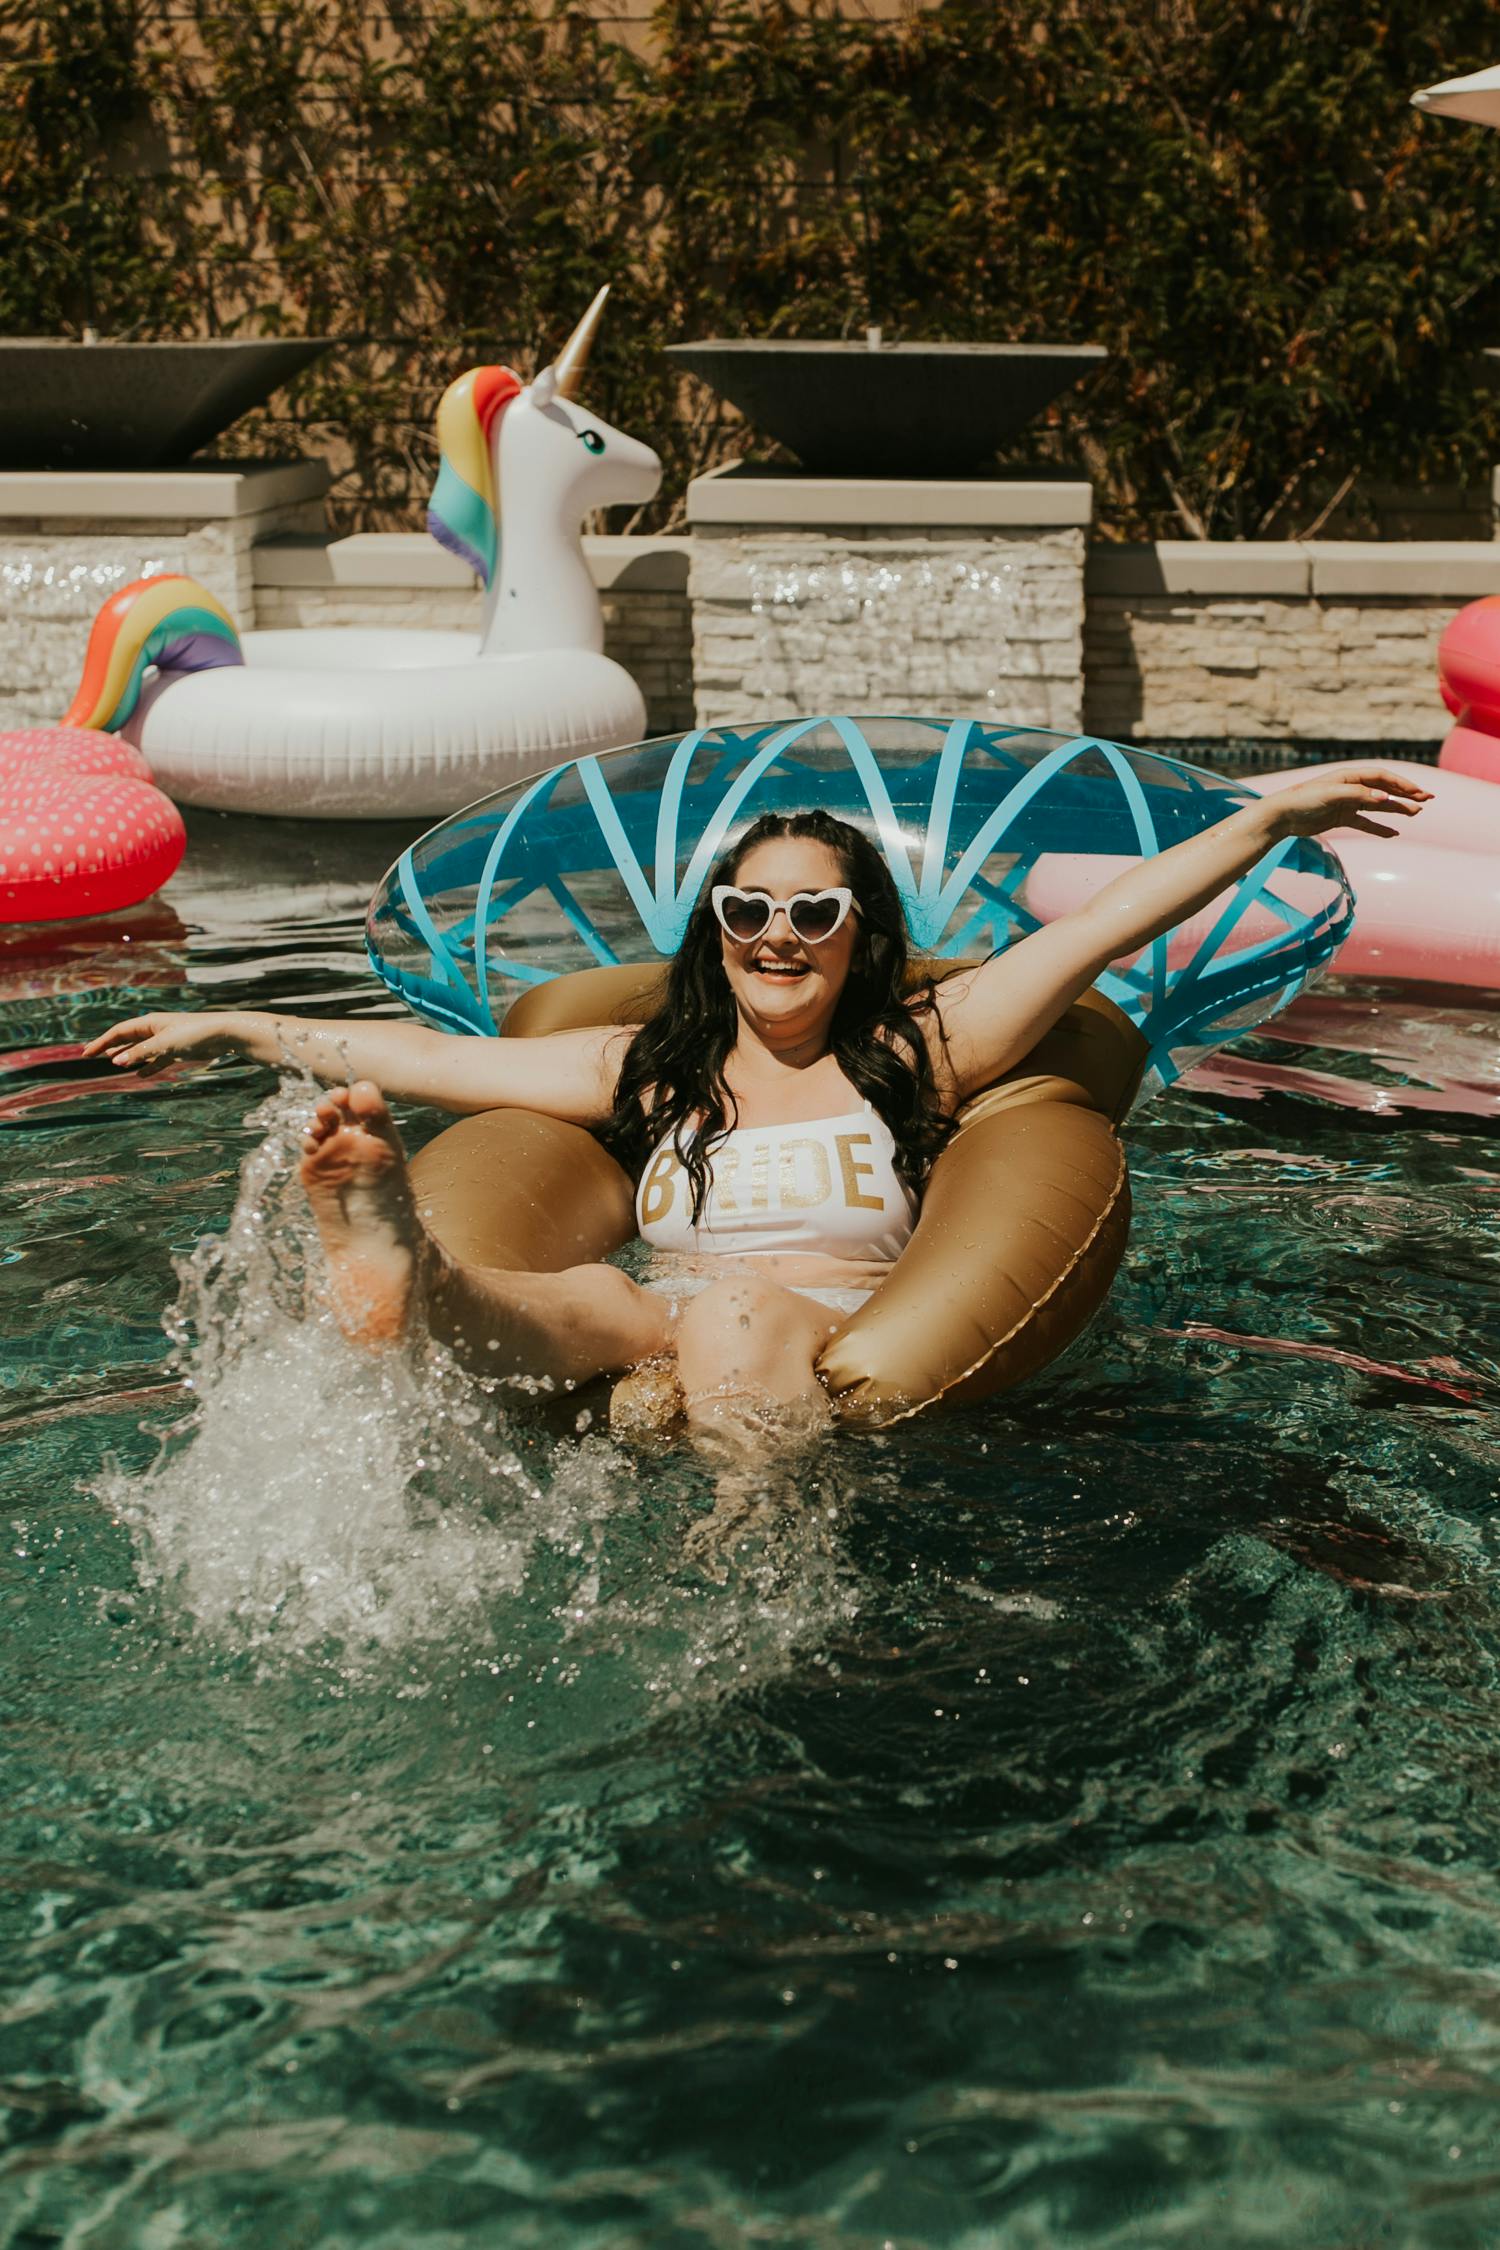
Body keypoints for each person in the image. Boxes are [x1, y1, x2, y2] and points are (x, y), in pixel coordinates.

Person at [85, 766, 1428, 1440]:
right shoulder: (649, 1069)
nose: (777, 933)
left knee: (729, 1313)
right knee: (597, 1298)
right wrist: (237, 1022)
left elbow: (1103, 927)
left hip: (824, 1330)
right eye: (748, 909)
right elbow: (441, 1064)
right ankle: (411, 1277)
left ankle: (741, 1559)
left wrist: (1269, 818)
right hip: (668, 1327)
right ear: (715, 931)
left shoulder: (922, 1048)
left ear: (859, 937)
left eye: (813, 913)